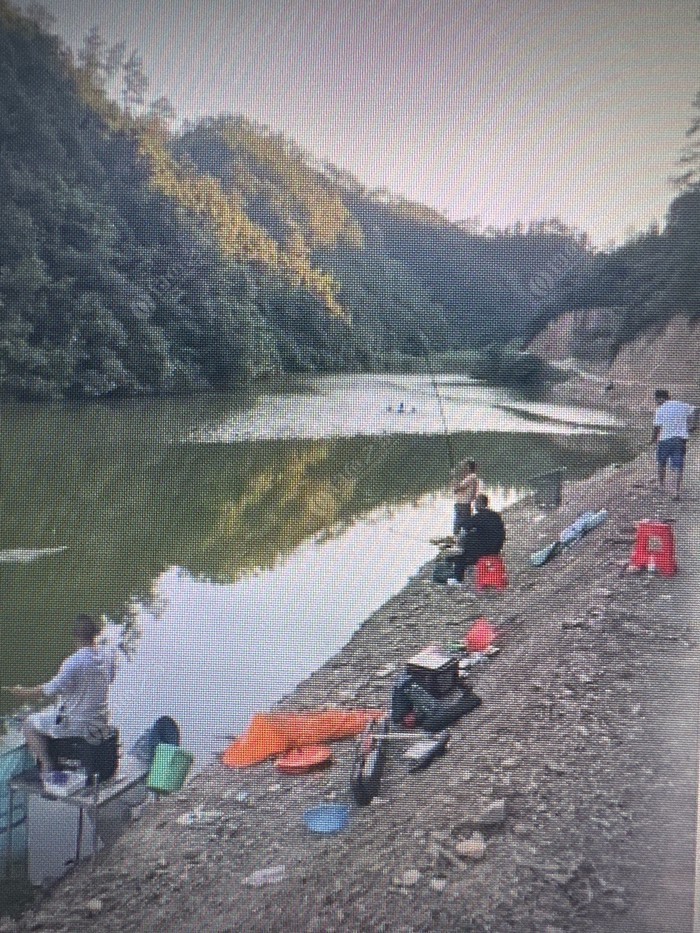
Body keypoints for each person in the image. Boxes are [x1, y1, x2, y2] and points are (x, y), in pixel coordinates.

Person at [5, 614, 117, 772]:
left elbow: (47, 690)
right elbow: (109, 679)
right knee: (50, 713)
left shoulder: (74, 662)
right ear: (96, 633)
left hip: (76, 724)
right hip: (100, 720)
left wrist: (21, 692)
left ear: (75, 636)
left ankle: (47, 765)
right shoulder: (109, 654)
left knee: (29, 724)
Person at [651, 388, 698, 501]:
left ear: (659, 399)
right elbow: (697, 409)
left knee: (661, 463)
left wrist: (652, 440)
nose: (656, 402)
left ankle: (662, 487)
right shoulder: (681, 405)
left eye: (656, 400)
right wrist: (692, 425)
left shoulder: (660, 409)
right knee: (678, 466)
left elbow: (656, 428)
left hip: (665, 440)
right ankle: (676, 492)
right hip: (680, 440)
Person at [448, 493, 505, 582]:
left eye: (475, 503)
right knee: (472, 538)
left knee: (459, 558)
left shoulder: (479, 516)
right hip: (497, 549)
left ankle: (457, 580)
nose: (474, 505)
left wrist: (459, 539)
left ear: (480, 504)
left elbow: (464, 527)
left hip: (485, 551)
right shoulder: (495, 515)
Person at [453, 459, 479, 534]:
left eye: (465, 467)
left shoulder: (471, 477)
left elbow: (458, 488)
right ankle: (463, 538)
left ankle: (459, 538)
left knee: (460, 522)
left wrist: (454, 483)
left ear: (468, 467)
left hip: (462, 503)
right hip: (464, 503)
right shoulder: (471, 477)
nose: (463, 469)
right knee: (464, 521)